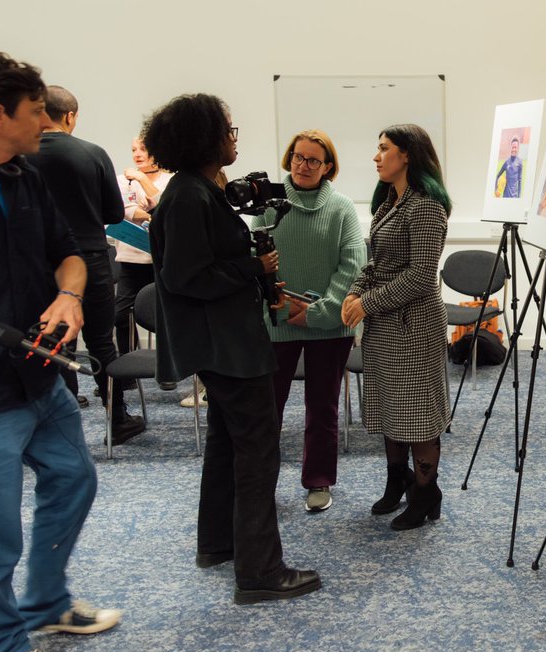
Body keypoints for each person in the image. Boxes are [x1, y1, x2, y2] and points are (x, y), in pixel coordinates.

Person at [0, 53, 121, 652]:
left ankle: (45, 602)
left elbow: (66, 251)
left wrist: (70, 295)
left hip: (41, 378)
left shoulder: (28, 175)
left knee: (73, 481)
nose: (47, 121)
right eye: (37, 110)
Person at [144, 93, 320, 603]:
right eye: (228, 130)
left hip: (224, 342)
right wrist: (254, 269)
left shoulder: (196, 191)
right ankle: (261, 571)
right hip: (226, 346)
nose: (233, 138)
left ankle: (218, 543)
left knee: (227, 443)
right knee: (258, 453)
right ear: (205, 138)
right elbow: (185, 278)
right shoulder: (189, 196)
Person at [341, 123, 451, 530]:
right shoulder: (390, 202)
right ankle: (397, 482)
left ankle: (425, 493)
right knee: (392, 407)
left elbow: (421, 275)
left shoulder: (425, 206)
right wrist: (355, 292)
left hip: (414, 326)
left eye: (383, 148)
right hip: (387, 325)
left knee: (418, 414)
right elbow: (378, 264)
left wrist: (366, 303)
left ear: (407, 155)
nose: (376, 156)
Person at [254, 129, 365, 513]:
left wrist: (315, 313)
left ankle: (318, 481)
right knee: (268, 407)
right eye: (298, 157)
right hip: (276, 319)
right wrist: (283, 307)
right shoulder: (267, 204)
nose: (303, 165)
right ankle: (260, 482)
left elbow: (352, 267)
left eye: (313, 160)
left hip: (329, 324)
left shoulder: (342, 208)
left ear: (328, 167)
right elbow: (254, 257)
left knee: (323, 406)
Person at [26, 86, 145, 442]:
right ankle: (118, 419)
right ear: (70, 116)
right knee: (100, 342)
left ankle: (61, 424)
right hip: (90, 259)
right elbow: (112, 213)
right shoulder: (92, 153)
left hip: (39, 262)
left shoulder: (19, 156)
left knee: (53, 342)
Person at [114, 136, 172, 360]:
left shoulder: (170, 180)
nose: (137, 154)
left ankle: (168, 368)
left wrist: (140, 178)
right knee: (121, 316)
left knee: (165, 316)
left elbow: (167, 205)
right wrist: (153, 214)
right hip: (131, 258)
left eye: (143, 149)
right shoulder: (121, 180)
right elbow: (125, 211)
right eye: (133, 149)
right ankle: (127, 369)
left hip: (161, 259)